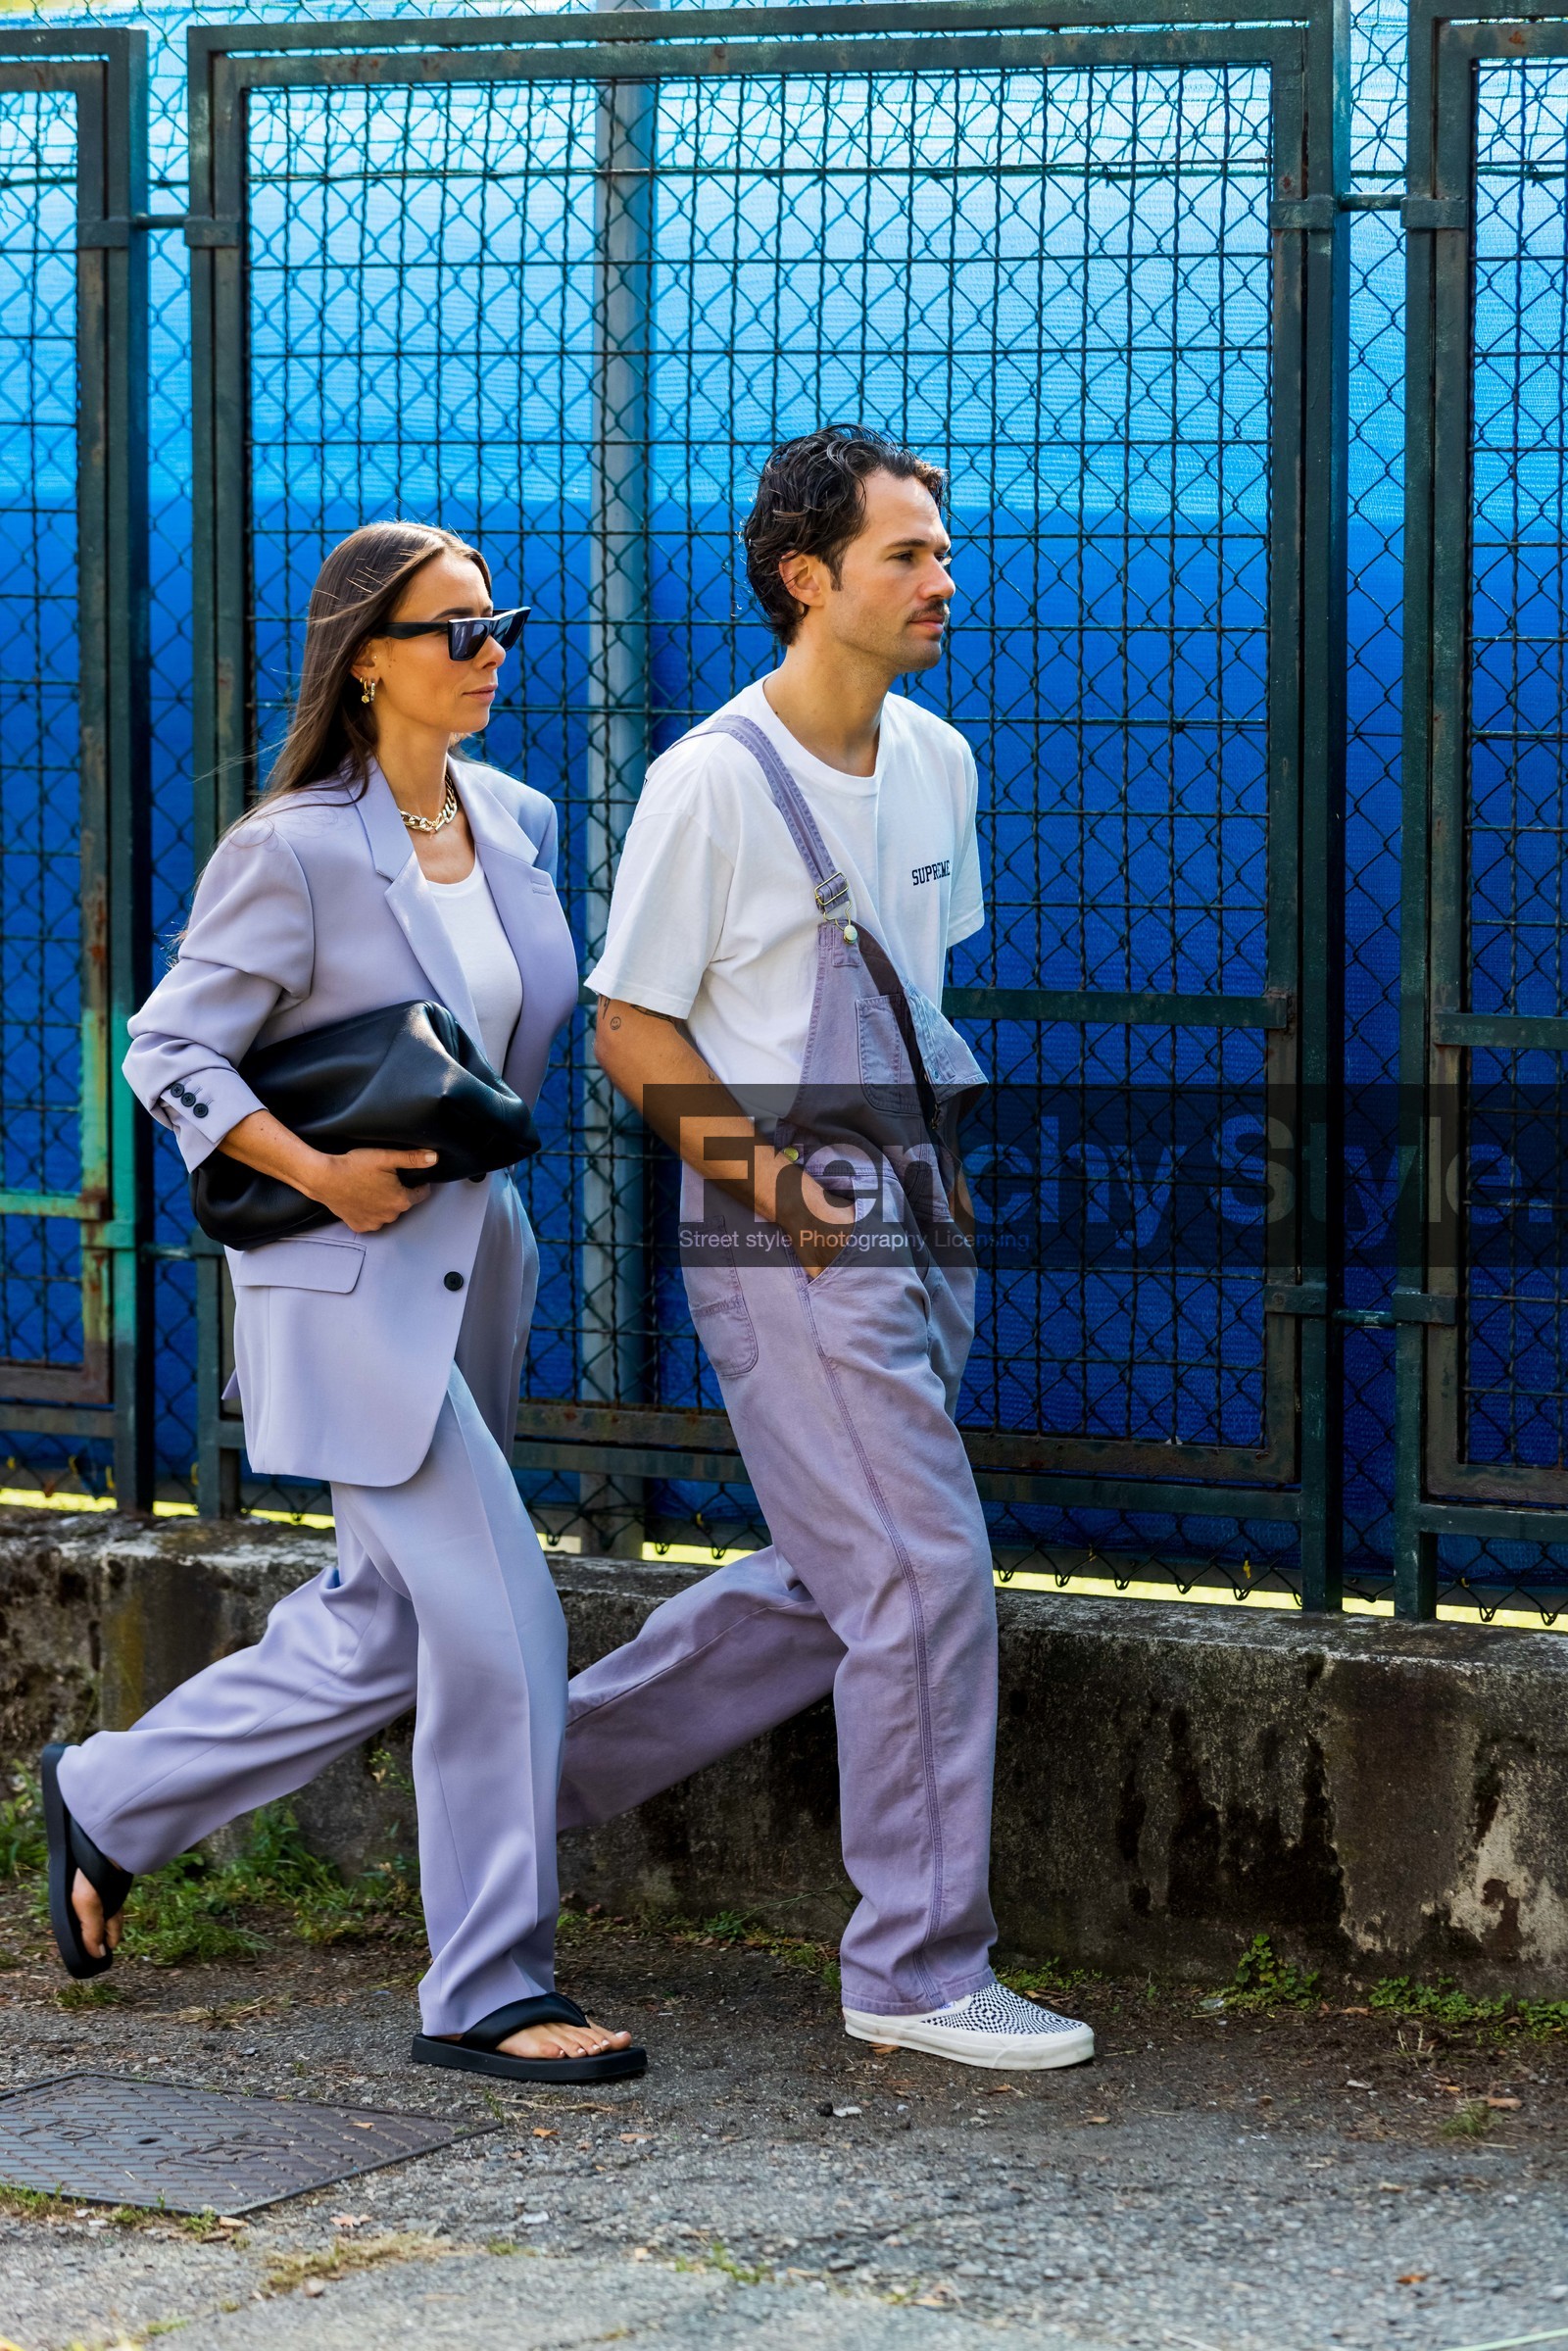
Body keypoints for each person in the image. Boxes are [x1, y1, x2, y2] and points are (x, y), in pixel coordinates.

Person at [42, 521, 641, 2084]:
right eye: (458, 628)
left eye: (500, 620)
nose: (494, 647)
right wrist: (318, 1171)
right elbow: (166, 1055)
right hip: (342, 1271)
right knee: (504, 1617)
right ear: (368, 658)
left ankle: (109, 1800)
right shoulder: (294, 846)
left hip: (474, 1254)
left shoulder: (514, 816)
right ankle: (488, 1988)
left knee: (383, 1623)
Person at [556, 425, 1095, 2071]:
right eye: (908, 555)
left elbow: (920, 993)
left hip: (918, 1206)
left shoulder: (935, 759)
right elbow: (631, 1030)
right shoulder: (712, 779)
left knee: (832, 1576)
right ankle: (917, 1971)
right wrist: (787, 1199)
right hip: (789, 1225)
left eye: (938, 550)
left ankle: (509, 1783)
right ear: (809, 579)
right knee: (924, 1578)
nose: (944, 578)